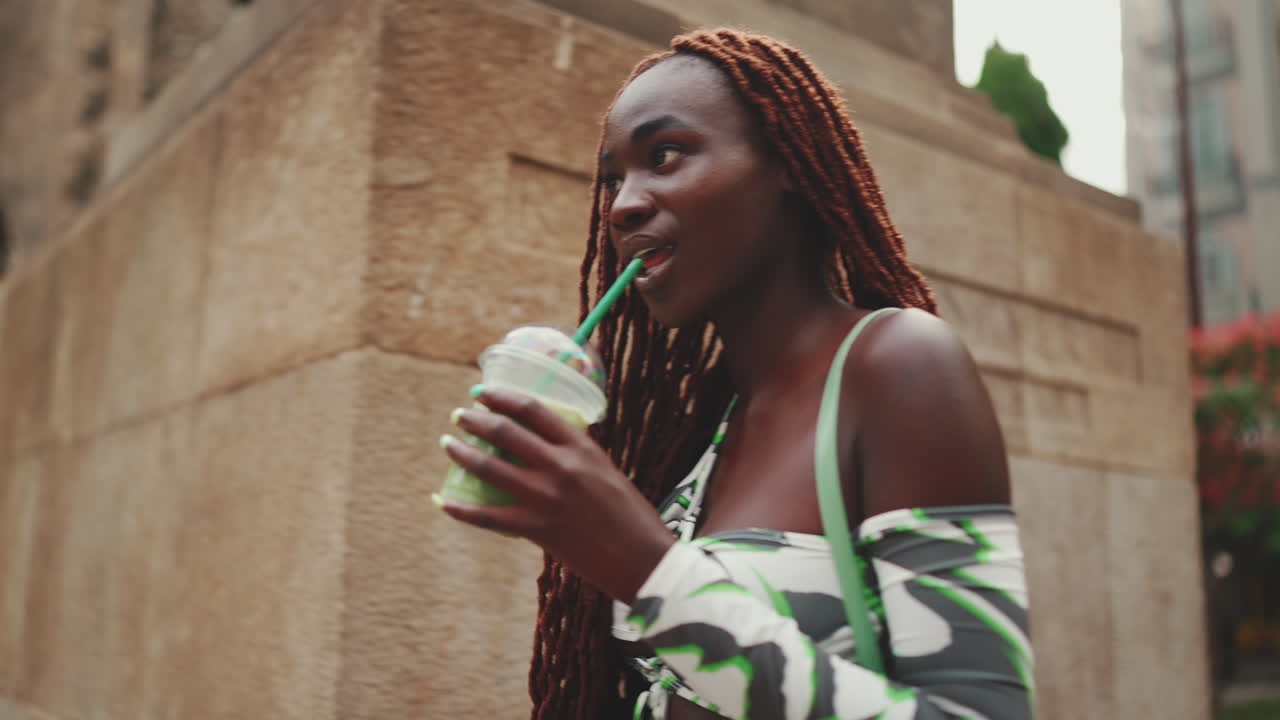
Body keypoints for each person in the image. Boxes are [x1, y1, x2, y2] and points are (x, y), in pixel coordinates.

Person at [438, 28, 1033, 720]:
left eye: (665, 155)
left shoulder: (900, 365)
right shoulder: (697, 426)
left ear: (788, 162)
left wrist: (648, 569)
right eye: (611, 179)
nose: (623, 204)